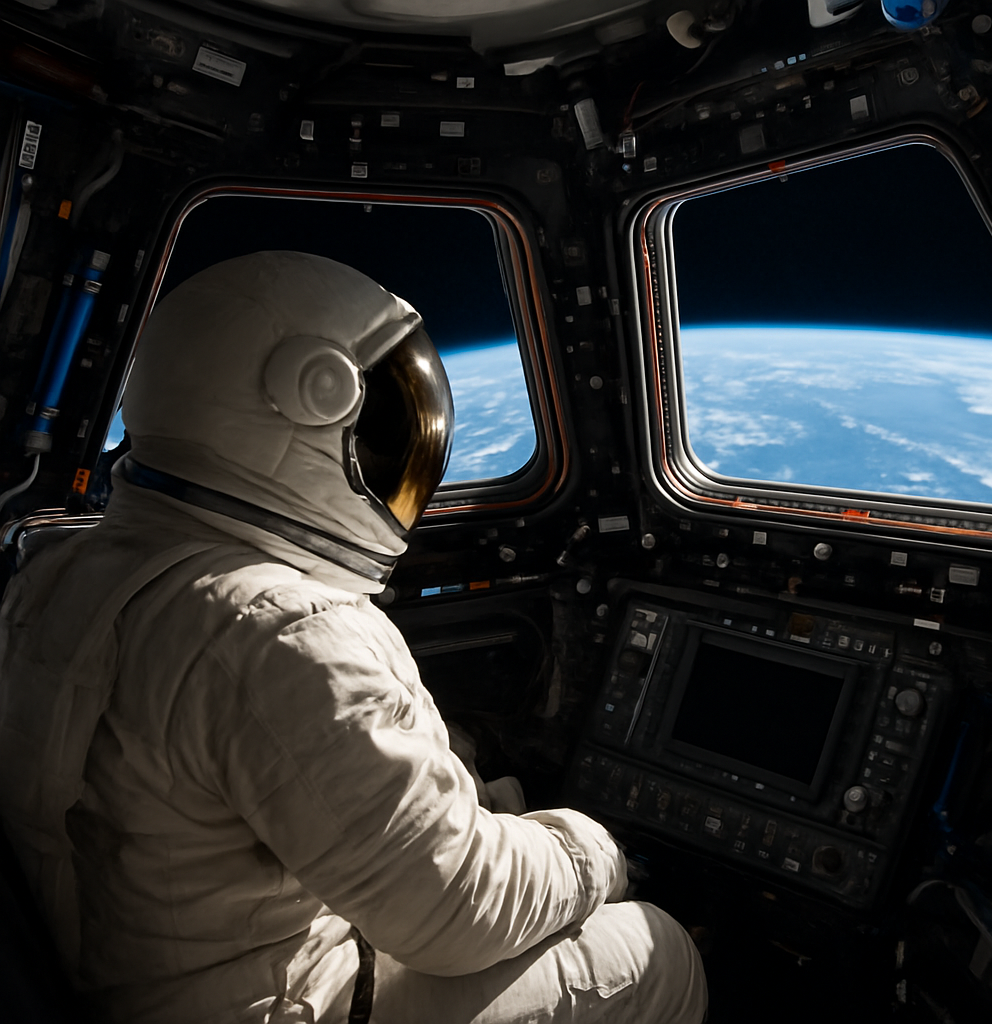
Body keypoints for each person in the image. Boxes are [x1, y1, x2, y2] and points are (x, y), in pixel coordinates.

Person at [0, 252, 707, 1024]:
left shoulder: (58, 569)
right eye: (387, 430)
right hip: (269, 1002)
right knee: (655, 947)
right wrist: (597, 851)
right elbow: (460, 916)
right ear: (303, 411)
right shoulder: (280, 633)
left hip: (126, 971)